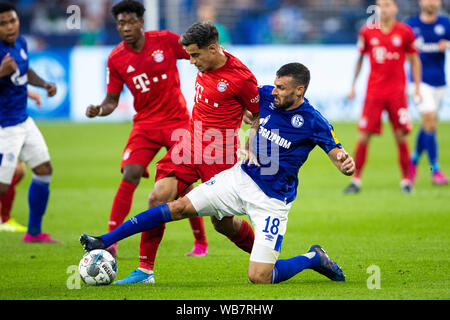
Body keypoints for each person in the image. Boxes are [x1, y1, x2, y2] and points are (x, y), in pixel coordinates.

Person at [80, 62, 356, 284]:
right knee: (176, 206)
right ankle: (104, 240)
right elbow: (242, 101)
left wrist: (344, 163)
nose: (275, 91)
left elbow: (337, 155)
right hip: (239, 179)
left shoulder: (314, 121)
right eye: (275, 85)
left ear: (300, 91)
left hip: (272, 201)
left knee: (259, 277)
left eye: (282, 88)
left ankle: (312, 258)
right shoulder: (267, 96)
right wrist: (249, 122)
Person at [109, 21, 260, 284]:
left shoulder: (241, 78)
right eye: (188, 55)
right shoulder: (206, 62)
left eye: (194, 55)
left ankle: (265, 258)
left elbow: (258, 115)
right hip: (190, 146)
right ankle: (145, 272)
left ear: (213, 49)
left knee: (222, 223)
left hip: (219, 155)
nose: (190, 61)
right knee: (158, 196)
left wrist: (248, 144)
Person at [85, 0, 208, 259]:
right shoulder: (116, 58)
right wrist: (99, 109)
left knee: (181, 184)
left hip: (177, 122)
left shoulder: (164, 40)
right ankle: (111, 241)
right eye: (121, 23)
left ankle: (200, 244)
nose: (126, 27)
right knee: (130, 172)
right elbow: (111, 101)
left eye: (131, 22)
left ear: (141, 22)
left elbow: (197, 56)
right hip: (145, 125)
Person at [344, 0, 422, 194]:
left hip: (397, 93)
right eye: (380, 5)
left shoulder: (405, 32)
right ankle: (356, 179)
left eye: (387, 4)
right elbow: (360, 59)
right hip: (374, 93)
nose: (384, 8)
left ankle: (406, 180)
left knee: (400, 136)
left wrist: (417, 87)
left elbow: (414, 60)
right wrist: (353, 86)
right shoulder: (367, 32)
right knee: (363, 135)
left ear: (395, 8)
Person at [0, 2, 58, 243]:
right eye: (3, 24)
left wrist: (43, 84)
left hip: (24, 121)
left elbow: (25, 71)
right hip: (5, 127)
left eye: (12, 21)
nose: (10, 27)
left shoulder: (21, 43)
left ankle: (34, 232)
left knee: (44, 170)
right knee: (3, 186)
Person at [406, 0, 449, 186]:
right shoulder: (411, 25)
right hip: (418, 83)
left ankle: (413, 162)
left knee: (428, 126)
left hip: (439, 82)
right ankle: (435, 171)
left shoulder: (446, 24)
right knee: (430, 120)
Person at [0, 92, 40, 232]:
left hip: (7, 120)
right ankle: (4, 219)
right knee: (11, 171)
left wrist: (29, 93)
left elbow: (12, 80)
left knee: (19, 170)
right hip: (5, 122)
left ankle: (4, 217)